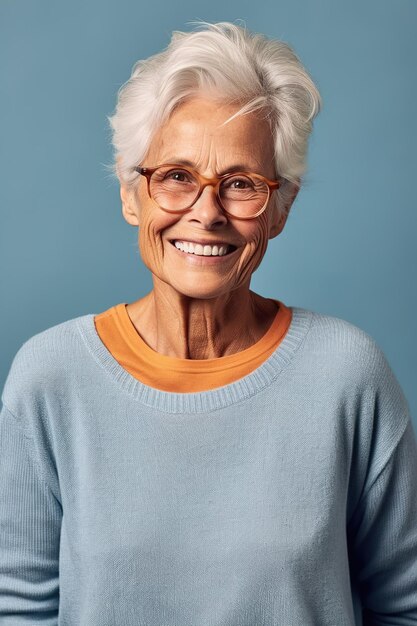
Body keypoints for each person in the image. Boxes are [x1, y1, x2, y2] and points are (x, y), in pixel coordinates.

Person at [0, 21, 416, 626]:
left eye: (241, 184)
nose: (206, 212)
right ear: (130, 194)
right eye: (176, 177)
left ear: (280, 208)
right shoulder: (50, 376)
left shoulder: (348, 374)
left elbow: (405, 606)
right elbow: (17, 608)